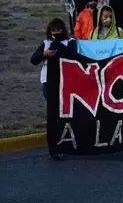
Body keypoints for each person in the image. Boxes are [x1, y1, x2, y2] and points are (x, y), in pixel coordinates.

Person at [30, 19, 77, 160]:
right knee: (53, 114)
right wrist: (44, 54)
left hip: (67, 83)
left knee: (68, 114)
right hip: (48, 82)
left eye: (58, 29)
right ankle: (56, 147)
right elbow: (33, 60)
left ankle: (69, 141)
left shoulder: (70, 43)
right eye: (53, 30)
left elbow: (74, 56)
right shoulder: (46, 44)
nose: (56, 32)